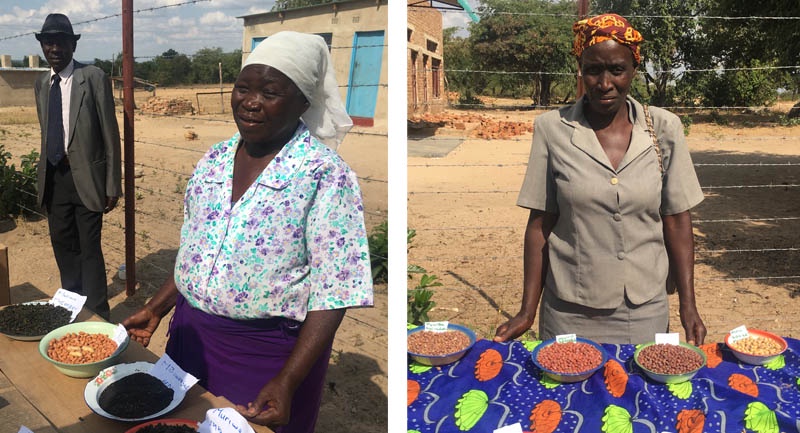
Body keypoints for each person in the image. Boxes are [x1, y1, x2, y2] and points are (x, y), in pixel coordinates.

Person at [122, 31, 373, 432]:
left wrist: (288, 380)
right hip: (190, 339)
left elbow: (335, 290)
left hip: (264, 357)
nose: (251, 102)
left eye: (270, 92)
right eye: (243, 88)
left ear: (303, 102)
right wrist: (156, 308)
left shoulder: (323, 174)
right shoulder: (216, 158)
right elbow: (198, 250)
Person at [494, 13, 706, 345]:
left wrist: (688, 307)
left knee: (638, 395)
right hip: (569, 312)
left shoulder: (663, 130)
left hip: (643, 309)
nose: (604, 83)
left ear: (634, 69)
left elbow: (677, 220)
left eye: (617, 70)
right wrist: (526, 311)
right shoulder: (553, 129)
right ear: (580, 70)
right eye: (593, 70)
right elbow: (540, 224)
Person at [34, 13, 121, 320]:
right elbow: (47, 133)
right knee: (63, 245)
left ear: (72, 45)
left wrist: (113, 183)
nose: (54, 48)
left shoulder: (93, 77)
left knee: (89, 249)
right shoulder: (42, 83)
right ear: (43, 47)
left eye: (61, 42)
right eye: (48, 42)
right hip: (55, 178)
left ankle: (98, 314)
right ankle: (72, 309)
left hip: (88, 178)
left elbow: (110, 133)